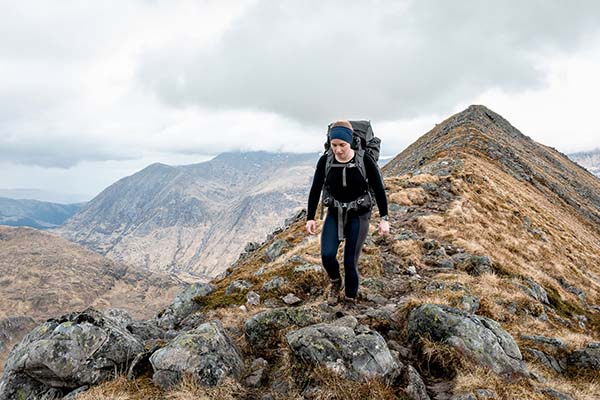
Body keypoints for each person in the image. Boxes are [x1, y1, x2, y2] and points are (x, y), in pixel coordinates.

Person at [306, 120, 390, 307]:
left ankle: (350, 298)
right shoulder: (325, 160)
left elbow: (379, 188)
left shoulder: (364, 160)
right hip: (335, 213)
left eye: (342, 145)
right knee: (327, 256)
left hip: (359, 214)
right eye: (334, 145)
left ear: (350, 141)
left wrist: (384, 218)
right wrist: (310, 217)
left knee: (350, 261)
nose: (338, 150)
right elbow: (315, 188)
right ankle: (336, 282)